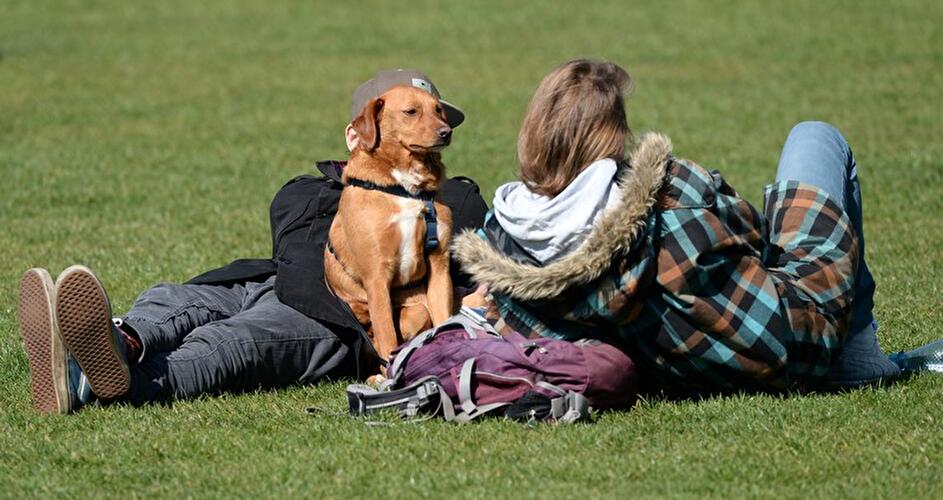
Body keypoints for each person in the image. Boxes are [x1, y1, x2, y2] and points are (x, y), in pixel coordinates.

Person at [454, 59, 942, 395]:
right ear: (612, 136)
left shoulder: (506, 251)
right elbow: (756, 232)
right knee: (815, 137)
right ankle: (858, 359)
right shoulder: (671, 195)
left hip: (682, 372)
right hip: (795, 341)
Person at [18, 69, 489, 414]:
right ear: (358, 132)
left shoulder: (454, 198)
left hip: (330, 318)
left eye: (438, 115)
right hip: (264, 278)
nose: (434, 127)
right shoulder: (306, 188)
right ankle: (120, 339)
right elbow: (293, 239)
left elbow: (456, 259)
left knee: (228, 344)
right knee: (173, 300)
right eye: (413, 116)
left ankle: (104, 380)